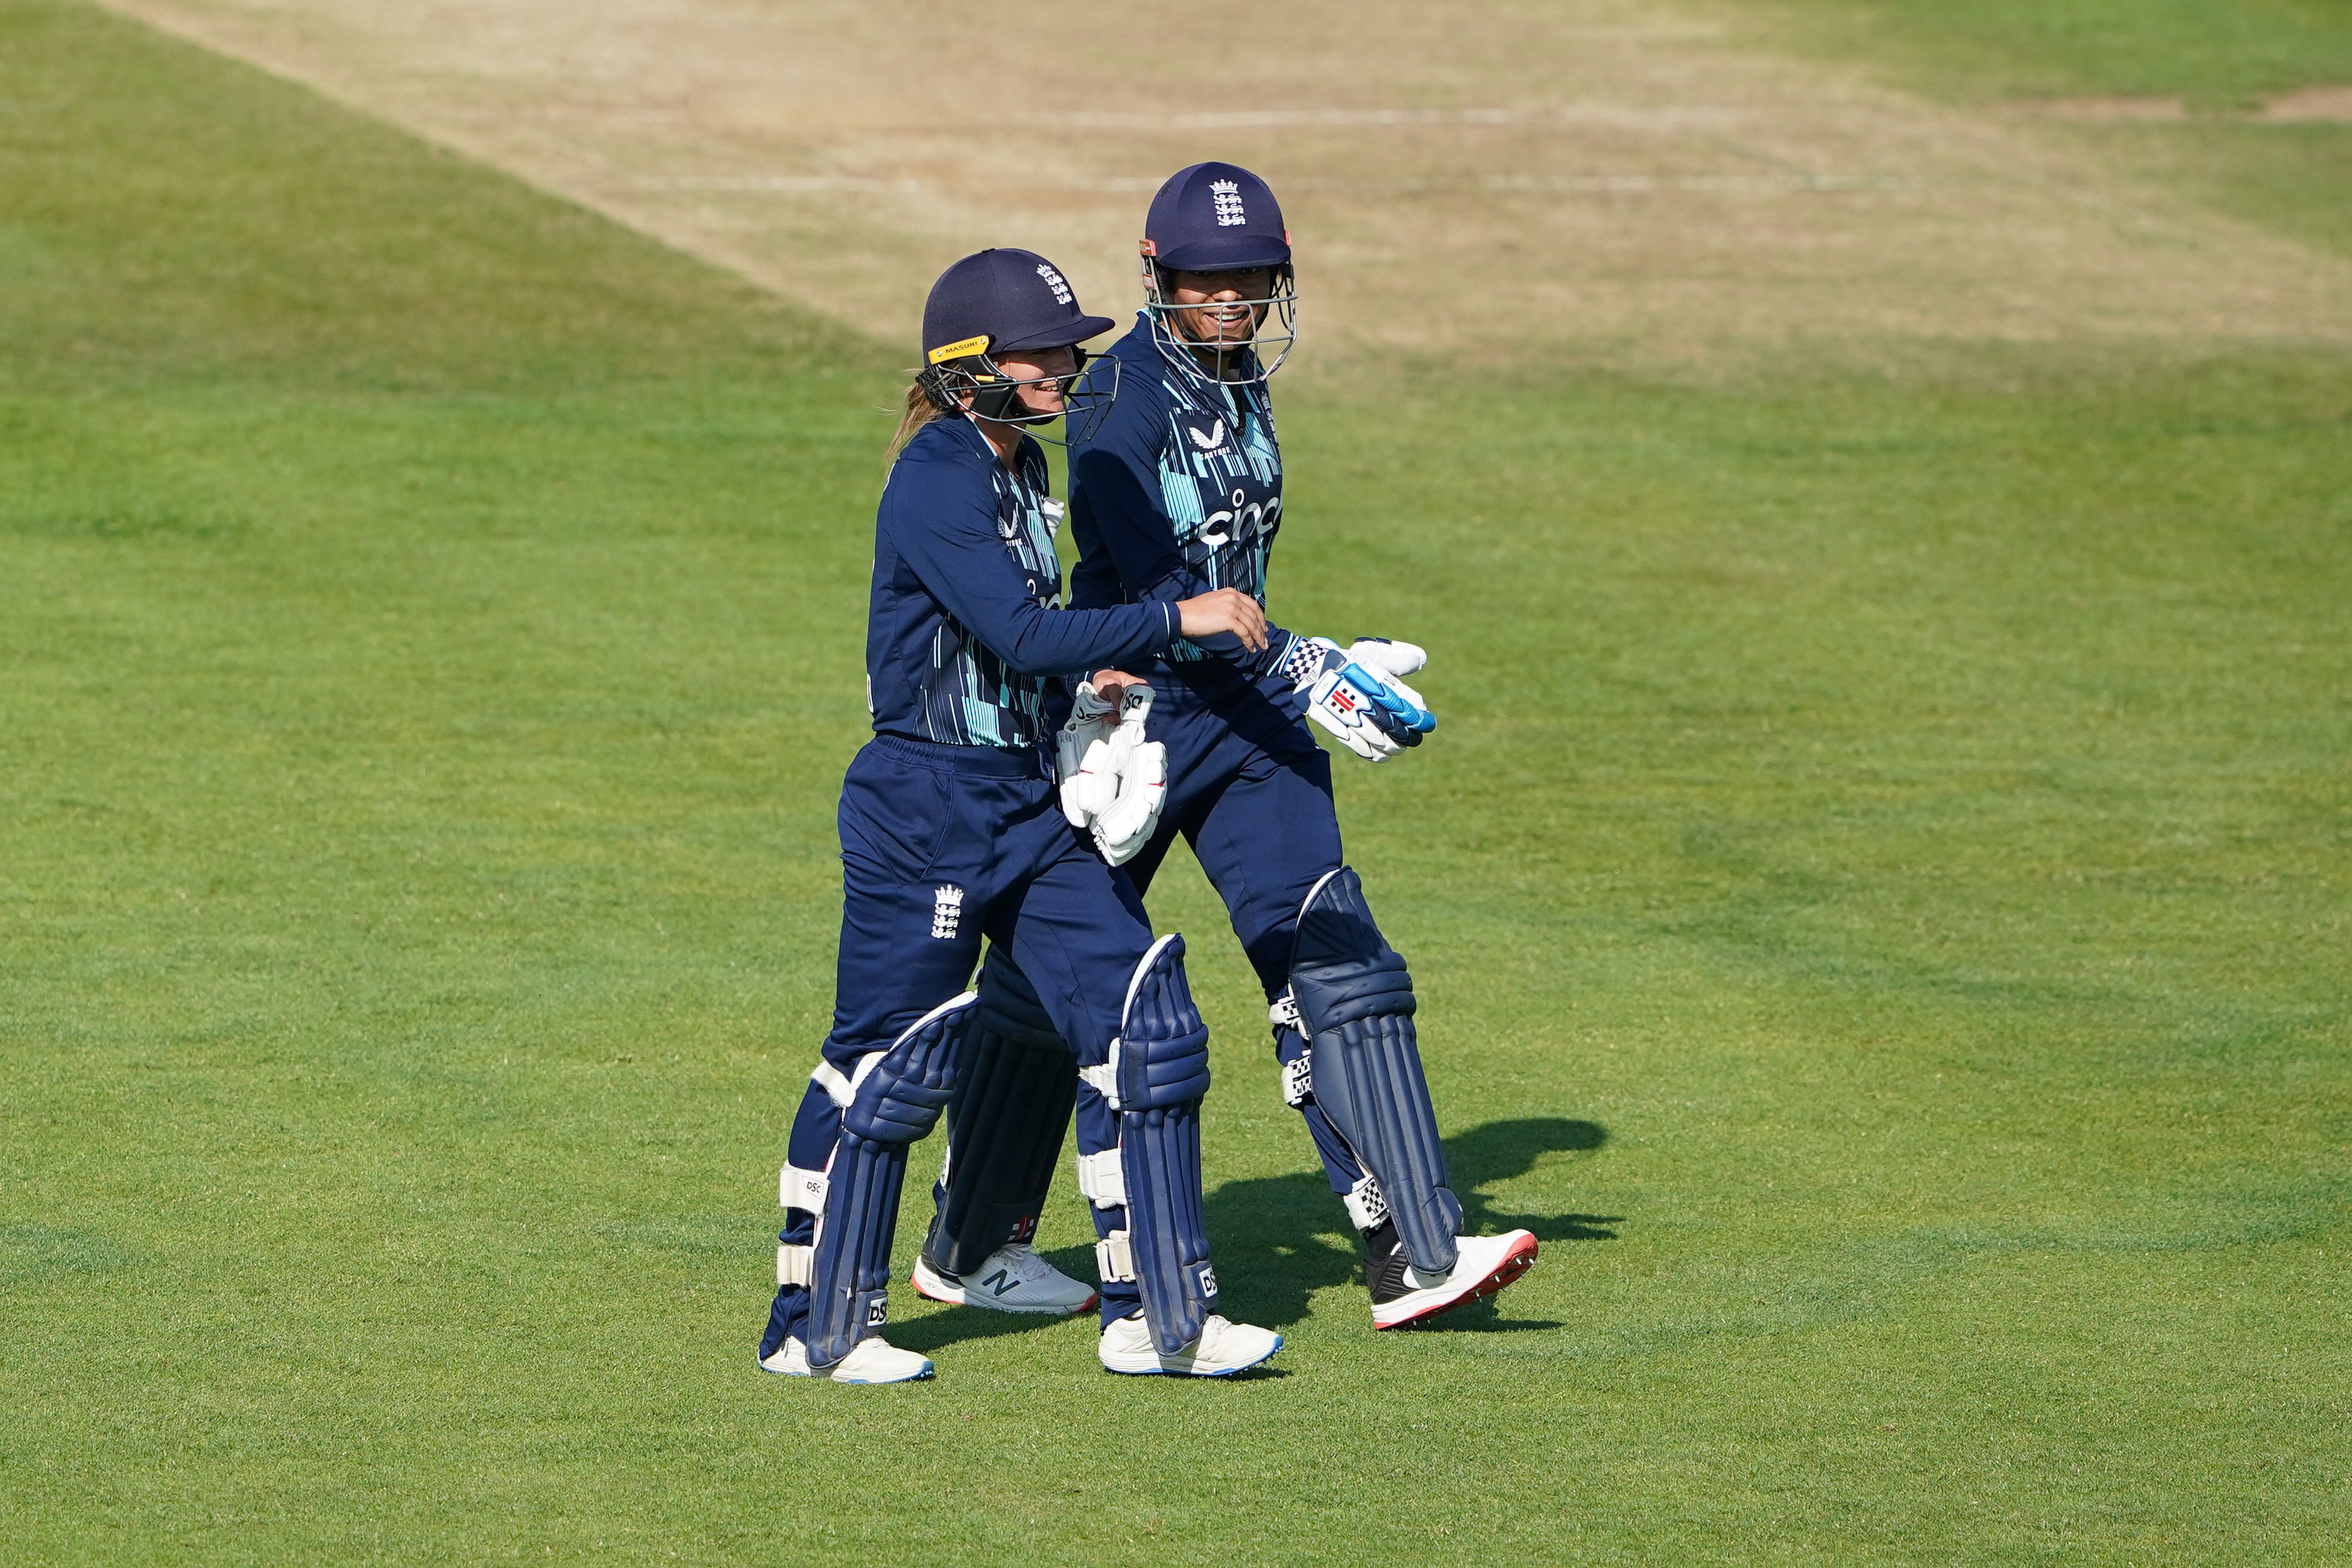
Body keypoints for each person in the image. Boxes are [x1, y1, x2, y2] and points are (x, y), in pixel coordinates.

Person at [913, 166, 1537, 1331]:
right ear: (1159, 277)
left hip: (1245, 720)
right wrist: (1300, 662)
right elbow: (1152, 578)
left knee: (1333, 946)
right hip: (1130, 724)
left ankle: (1415, 1247)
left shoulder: (1241, 376)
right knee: (1057, 983)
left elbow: (1234, 568)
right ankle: (969, 1245)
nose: (1232, 301)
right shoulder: (1117, 405)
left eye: (1251, 279)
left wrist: (1291, 664)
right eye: (1208, 279)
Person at [756, 246, 1284, 1382]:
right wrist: (1170, 621)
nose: (1063, 364)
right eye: (1038, 350)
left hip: (1020, 802)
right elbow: (1022, 631)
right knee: (889, 1060)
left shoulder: (1014, 465)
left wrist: (1076, 691)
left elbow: (1017, 653)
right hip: (926, 806)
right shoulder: (939, 475)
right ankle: (812, 1326)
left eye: (1068, 346)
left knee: (1143, 1017)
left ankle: (1158, 1317)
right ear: (966, 365)